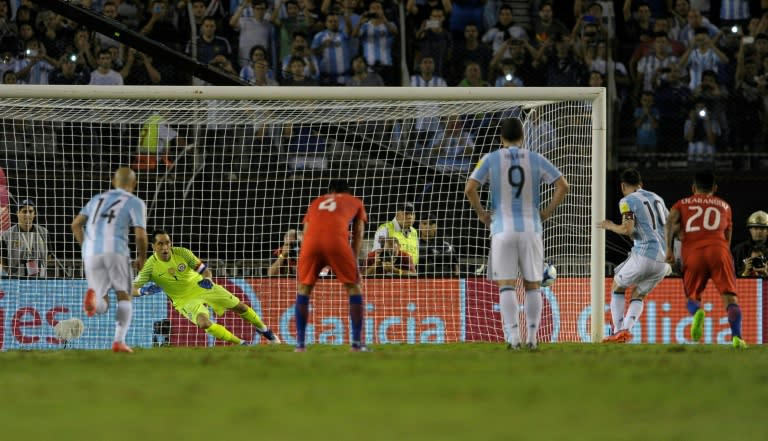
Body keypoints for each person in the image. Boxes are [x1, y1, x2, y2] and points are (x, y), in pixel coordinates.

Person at [464, 117, 569, 350]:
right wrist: (546, 213)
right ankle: (532, 338)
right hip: (531, 228)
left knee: (507, 285)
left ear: (501, 139)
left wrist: (482, 214)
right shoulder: (536, 158)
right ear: (523, 138)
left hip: (502, 229)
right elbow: (563, 186)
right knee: (533, 285)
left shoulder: (490, 159)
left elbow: (470, 188)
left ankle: (513, 338)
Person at [133, 230, 280, 345]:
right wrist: (142, 291)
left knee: (240, 307)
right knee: (204, 323)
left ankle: (265, 330)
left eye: (167, 243)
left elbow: (204, 270)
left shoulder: (182, 252)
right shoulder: (149, 266)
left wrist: (208, 279)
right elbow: (131, 289)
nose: (165, 247)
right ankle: (241, 343)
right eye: (160, 244)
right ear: (153, 246)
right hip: (184, 300)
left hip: (201, 286)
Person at [664, 171, 747, 348]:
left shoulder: (681, 204)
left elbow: (670, 221)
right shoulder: (724, 206)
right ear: (715, 188)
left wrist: (669, 248)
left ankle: (698, 312)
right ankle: (737, 338)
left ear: (693, 188)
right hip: (719, 250)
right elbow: (727, 234)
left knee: (692, 298)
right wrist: (724, 253)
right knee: (730, 298)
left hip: (694, 252)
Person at [71, 167, 148, 353]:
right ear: (134, 184)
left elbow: (75, 225)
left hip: (91, 253)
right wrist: (142, 258)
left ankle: (93, 302)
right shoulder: (134, 201)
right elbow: (140, 235)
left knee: (102, 303)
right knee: (124, 294)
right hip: (116, 250)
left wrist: (86, 248)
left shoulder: (98, 198)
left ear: (114, 182)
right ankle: (119, 341)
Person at [294, 179, 368, 352]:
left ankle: (300, 345)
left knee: (304, 288)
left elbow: (305, 231)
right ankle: (357, 344)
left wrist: (308, 254)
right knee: (354, 287)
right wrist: (354, 260)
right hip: (337, 242)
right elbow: (359, 232)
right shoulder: (355, 201)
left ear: (330, 192)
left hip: (310, 243)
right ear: (347, 193)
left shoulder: (317, 202)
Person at [598, 169, 670, 343]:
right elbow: (669, 226)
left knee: (617, 285)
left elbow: (626, 228)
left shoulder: (626, 201)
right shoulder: (657, 198)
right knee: (638, 294)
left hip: (644, 255)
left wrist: (609, 225)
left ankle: (617, 330)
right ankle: (625, 331)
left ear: (623, 186)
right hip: (664, 261)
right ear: (641, 184)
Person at [0, 199, 50, 278]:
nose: (27, 215)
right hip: (16, 281)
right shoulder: (7, 235)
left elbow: (48, 256)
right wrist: (14, 273)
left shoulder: (44, 232)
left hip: (40, 280)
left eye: (30, 211)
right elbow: (3, 260)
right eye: (24, 211)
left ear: (34, 214)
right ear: (17, 213)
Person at [418, 212, 459, 277]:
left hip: (443, 283)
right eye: (424, 223)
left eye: (431, 224)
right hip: (419, 283)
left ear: (436, 226)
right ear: (420, 226)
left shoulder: (446, 246)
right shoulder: (414, 244)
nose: (427, 226)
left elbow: (455, 267)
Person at [732, 210, 768, 276]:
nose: (759, 231)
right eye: (755, 228)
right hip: (745, 286)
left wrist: (766, 275)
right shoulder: (738, 250)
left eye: (762, 228)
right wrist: (745, 272)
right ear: (750, 229)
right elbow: (731, 277)